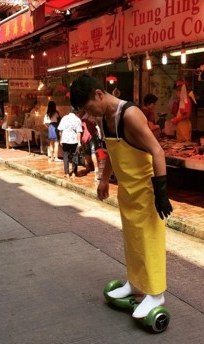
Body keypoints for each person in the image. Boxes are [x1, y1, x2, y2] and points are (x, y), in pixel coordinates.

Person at [70, 73, 173, 319]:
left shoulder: (130, 114)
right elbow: (113, 151)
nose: (88, 114)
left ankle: (156, 293)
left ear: (98, 94)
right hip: (128, 190)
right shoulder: (106, 118)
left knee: (149, 241)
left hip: (147, 190)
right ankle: (136, 284)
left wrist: (161, 193)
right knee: (133, 240)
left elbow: (157, 151)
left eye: (87, 107)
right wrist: (105, 178)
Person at [58, 110, 83, 179]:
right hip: (74, 140)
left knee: (65, 156)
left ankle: (67, 173)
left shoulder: (64, 118)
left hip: (65, 140)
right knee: (74, 155)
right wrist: (79, 142)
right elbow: (79, 132)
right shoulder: (77, 120)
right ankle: (74, 173)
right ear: (76, 113)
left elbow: (60, 130)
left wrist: (61, 139)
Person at [80, 112, 101, 181]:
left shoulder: (82, 117)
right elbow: (97, 123)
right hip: (92, 136)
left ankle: (87, 167)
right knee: (93, 152)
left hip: (85, 137)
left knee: (87, 152)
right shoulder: (92, 115)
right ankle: (96, 168)